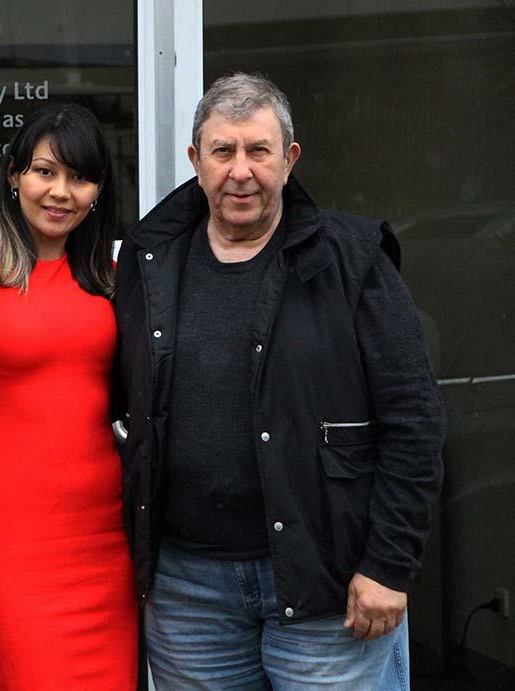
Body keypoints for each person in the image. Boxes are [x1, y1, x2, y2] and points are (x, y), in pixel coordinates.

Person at [115, 72, 445, 689]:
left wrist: (389, 563)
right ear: (195, 160)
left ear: (289, 160)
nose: (241, 171)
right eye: (223, 151)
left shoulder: (352, 258)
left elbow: (415, 420)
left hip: (329, 586)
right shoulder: (151, 258)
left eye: (258, 151)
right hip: (188, 592)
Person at [0, 102, 138, 690]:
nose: (60, 192)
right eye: (45, 171)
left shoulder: (113, 280)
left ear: (99, 189)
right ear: (14, 175)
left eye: (80, 177)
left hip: (105, 536)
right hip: (10, 536)